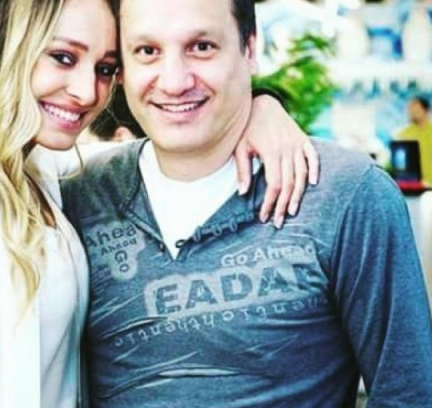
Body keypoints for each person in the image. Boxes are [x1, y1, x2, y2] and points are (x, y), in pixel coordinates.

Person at [0, 0, 318, 407]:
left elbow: (163, 152)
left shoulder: (40, 172)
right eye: (63, 57)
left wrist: (262, 108)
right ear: (6, 46)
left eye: (104, 69)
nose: (86, 92)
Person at [60, 0, 432, 407]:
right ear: (122, 66)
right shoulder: (77, 196)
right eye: (147, 51)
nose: (174, 81)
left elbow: (409, 392)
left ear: (250, 48)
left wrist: (265, 101)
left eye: (201, 47)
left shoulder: (347, 194)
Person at [395, 95, 432, 185]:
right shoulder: (402, 135)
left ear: (426, 110)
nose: (412, 112)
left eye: (416, 108)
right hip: (413, 185)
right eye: (410, 109)